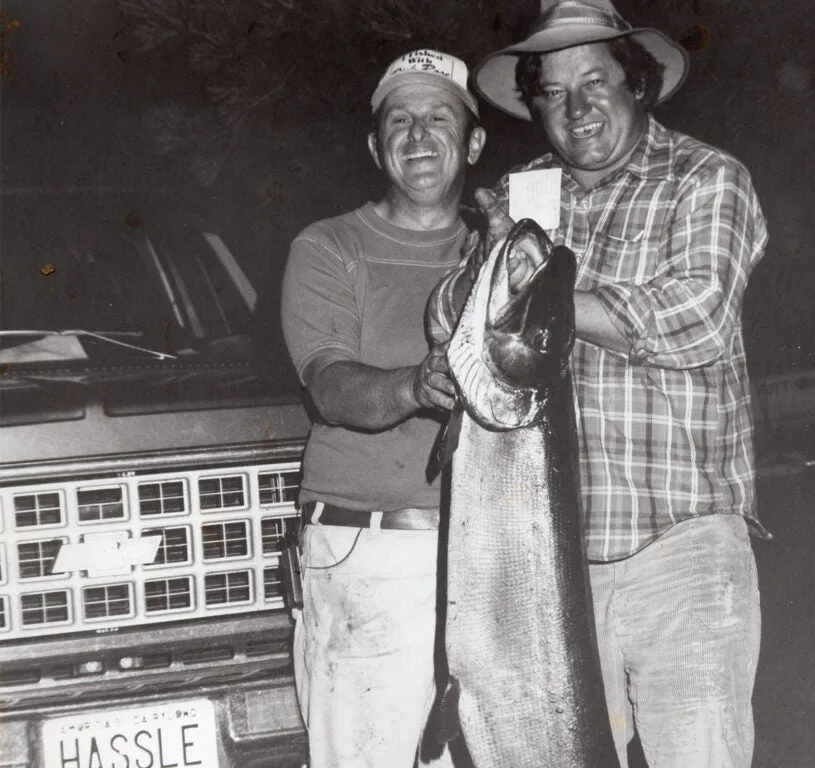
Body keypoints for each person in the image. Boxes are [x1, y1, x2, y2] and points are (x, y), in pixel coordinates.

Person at [428, 2, 769, 766]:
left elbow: (698, 317)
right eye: (551, 91)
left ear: (637, 84)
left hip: (680, 549)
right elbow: (447, 317)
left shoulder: (707, 177)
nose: (576, 109)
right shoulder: (524, 197)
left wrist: (536, 309)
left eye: (595, 81)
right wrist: (485, 269)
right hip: (550, 568)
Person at [280, 48, 486, 768]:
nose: (419, 135)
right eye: (399, 120)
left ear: (475, 141)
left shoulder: (506, 252)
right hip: (371, 553)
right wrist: (414, 385)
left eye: (438, 117)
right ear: (375, 146)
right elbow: (331, 386)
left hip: (494, 557)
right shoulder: (330, 246)